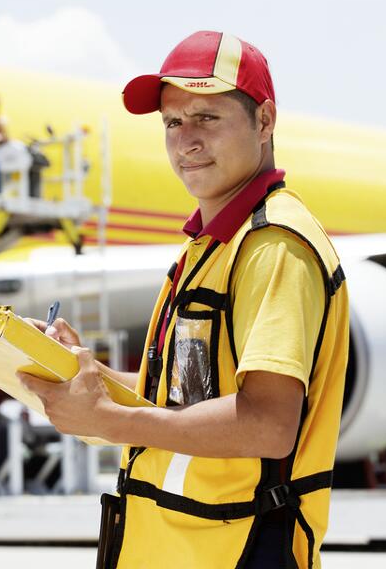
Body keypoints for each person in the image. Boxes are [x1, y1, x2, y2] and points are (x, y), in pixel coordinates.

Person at [18, 31, 349, 568]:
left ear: (264, 121)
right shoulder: (212, 245)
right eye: (173, 122)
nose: (185, 141)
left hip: (240, 549)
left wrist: (106, 419)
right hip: (179, 547)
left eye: (207, 118)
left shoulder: (273, 247)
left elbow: (268, 423)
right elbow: (188, 396)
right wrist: (83, 375)